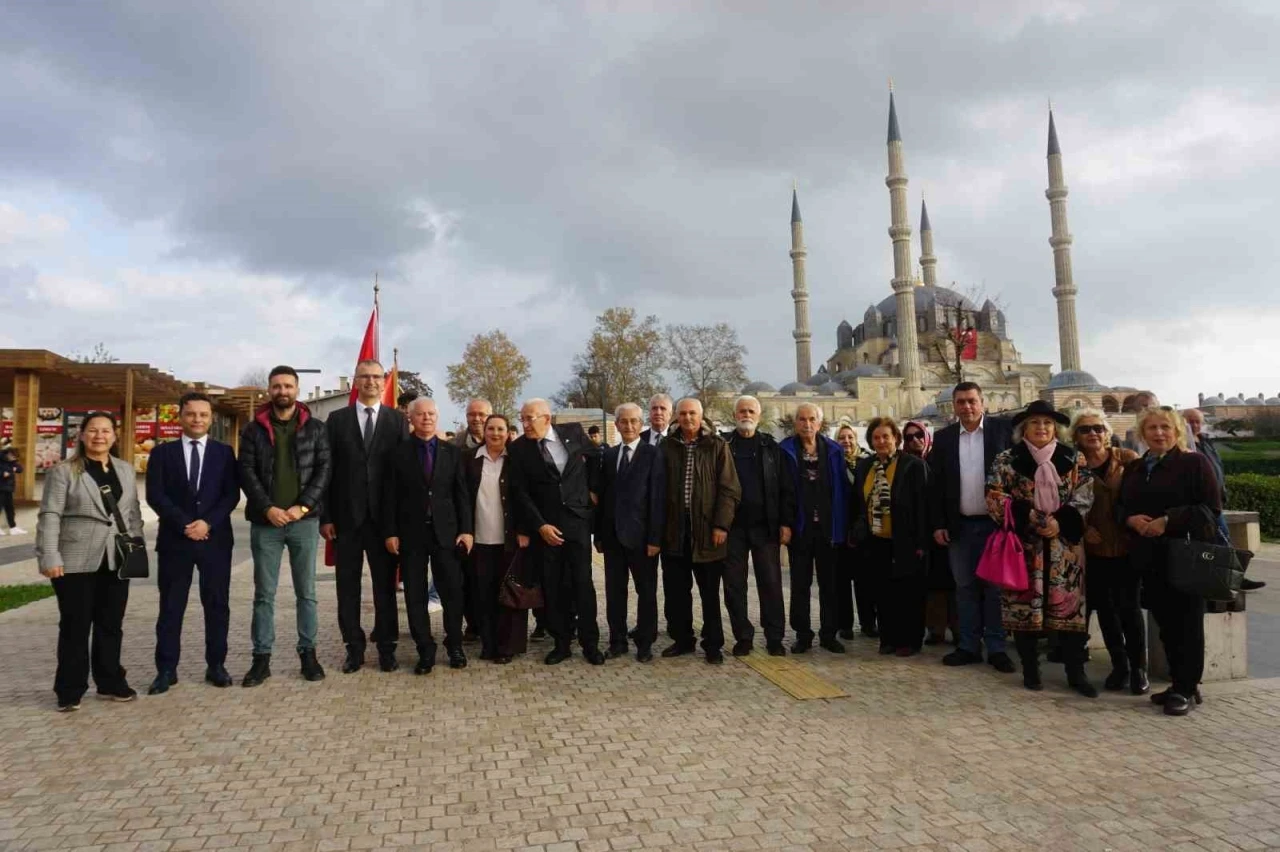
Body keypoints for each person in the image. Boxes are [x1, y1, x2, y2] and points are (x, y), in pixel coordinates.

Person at [985, 401, 1096, 696]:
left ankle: (1076, 673)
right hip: (1024, 547)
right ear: (1024, 428)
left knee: (1071, 613)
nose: (1041, 428)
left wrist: (1060, 522)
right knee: (1025, 611)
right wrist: (1030, 516)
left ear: (1055, 428)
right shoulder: (1006, 460)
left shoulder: (1073, 458)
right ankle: (1031, 671)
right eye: (1035, 423)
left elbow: (1084, 496)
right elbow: (995, 496)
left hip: (1065, 548)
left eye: (1047, 423)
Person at [36, 412, 143, 711]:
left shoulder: (124, 469)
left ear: (114, 436)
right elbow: (50, 515)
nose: (99, 436)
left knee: (111, 624)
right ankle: (69, 689)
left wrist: (136, 544)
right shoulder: (64, 471)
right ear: (81, 435)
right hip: (74, 558)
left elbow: (132, 511)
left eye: (106, 431)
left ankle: (110, 682)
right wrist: (49, 555)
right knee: (76, 625)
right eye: (93, 430)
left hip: (116, 557)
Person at [1119, 406, 1222, 716]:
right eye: (1152, 428)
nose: (1159, 433)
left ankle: (1186, 689)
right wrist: (1131, 520)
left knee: (1187, 624)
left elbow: (1210, 511)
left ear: (1177, 431)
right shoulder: (1137, 468)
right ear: (1143, 433)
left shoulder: (1194, 463)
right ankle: (1182, 682)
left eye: (1165, 427)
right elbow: (1122, 506)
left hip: (1184, 555)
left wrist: (1168, 521)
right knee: (1166, 624)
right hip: (1150, 557)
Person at [238, 365, 332, 687]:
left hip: (303, 523)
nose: (282, 391)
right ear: (269, 390)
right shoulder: (253, 430)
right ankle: (261, 658)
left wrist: (301, 507)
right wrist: (268, 508)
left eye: (288, 386)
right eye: (277, 386)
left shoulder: (316, 429)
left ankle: (308, 654)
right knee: (264, 594)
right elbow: (246, 472)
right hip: (266, 525)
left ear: (297, 389)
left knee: (307, 593)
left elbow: (324, 471)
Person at [145, 392, 241, 695]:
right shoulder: (162, 453)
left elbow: (231, 495)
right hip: (176, 540)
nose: (197, 419)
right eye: (191, 414)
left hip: (215, 541)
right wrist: (185, 524)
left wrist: (207, 523)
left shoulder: (224, 453)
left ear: (210, 418)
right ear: (180, 417)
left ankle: (216, 666)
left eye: (203, 414)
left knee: (217, 606)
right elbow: (155, 495)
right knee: (171, 607)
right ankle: (166, 670)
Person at [321, 359, 407, 674]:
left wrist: (398, 523)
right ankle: (353, 648)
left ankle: (387, 648)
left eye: (376, 377)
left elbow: (403, 474)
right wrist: (325, 516)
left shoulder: (397, 421)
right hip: (346, 521)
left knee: (385, 588)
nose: (371, 382)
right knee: (348, 588)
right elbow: (327, 472)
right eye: (364, 377)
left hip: (384, 522)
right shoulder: (336, 420)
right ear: (355, 382)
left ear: (384, 382)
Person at [507, 398, 605, 665]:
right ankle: (561, 643)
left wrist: (592, 491)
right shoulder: (518, 450)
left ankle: (590, 644)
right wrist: (539, 525)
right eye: (522, 418)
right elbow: (520, 493)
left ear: (547, 419)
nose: (525, 424)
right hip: (546, 528)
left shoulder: (573, 432)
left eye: (530, 418)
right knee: (553, 587)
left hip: (577, 523)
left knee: (582, 585)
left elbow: (597, 457)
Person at [928, 382, 1016, 672]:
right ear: (953, 405)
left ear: (982, 403)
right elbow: (937, 486)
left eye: (971, 401)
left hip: (995, 525)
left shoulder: (1002, 431)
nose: (967, 407)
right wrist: (939, 523)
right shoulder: (943, 439)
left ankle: (997, 647)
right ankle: (968, 645)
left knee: (994, 589)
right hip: (960, 526)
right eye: (961, 402)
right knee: (964, 587)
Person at [382, 396, 474, 672]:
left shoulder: (452, 452)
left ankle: (454, 644)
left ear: (437, 417)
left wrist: (467, 530)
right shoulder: (397, 454)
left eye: (431, 414)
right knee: (415, 595)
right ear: (410, 418)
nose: (427, 419)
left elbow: (462, 495)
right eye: (420, 415)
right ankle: (425, 649)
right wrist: (390, 532)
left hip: (446, 535)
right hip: (411, 536)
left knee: (452, 591)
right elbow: (389, 498)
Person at [659, 398, 741, 663]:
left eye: (692, 413)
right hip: (675, 532)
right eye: (682, 413)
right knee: (676, 594)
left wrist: (721, 524)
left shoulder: (717, 446)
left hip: (707, 532)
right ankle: (683, 640)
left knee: (709, 594)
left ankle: (713, 645)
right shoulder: (666, 446)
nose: (687, 418)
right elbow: (656, 490)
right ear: (676, 416)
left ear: (701, 416)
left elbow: (729, 489)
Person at [1071, 408, 1146, 694]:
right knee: (1106, 610)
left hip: (1126, 546)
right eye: (1085, 429)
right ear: (1076, 436)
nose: (1093, 434)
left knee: (1129, 609)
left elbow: (1144, 495)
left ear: (1107, 432)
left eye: (1098, 429)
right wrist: (1082, 528)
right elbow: (1064, 501)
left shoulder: (1126, 459)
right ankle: (1120, 666)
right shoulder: (1073, 464)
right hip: (1094, 549)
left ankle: (1139, 668)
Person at [849, 417, 930, 656]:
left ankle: (909, 641)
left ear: (896, 438)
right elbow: (858, 502)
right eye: (876, 437)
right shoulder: (865, 466)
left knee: (908, 592)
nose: (881, 441)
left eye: (886, 436)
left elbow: (923, 505)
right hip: (875, 539)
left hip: (906, 538)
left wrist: (922, 541)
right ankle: (888, 638)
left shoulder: (912, 465)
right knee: (882, 591)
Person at [720, 396, 793, 657]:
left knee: (771, 583)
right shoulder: (723, 446)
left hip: (765, 528)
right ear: (734, 414)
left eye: (751, 411)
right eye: (742, 411)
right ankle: (743, 636)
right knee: (733, 585)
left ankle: (774, 637)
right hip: (733, 529)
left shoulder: (771, 449)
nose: (746, 415)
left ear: (759, 416)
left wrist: (785, 523)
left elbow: (785, 489)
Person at [592, 403, 665, 662]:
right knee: (615, 592)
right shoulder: (609, 456)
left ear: (641, 423)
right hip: (612, 538)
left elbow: (657, 498)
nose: (629, 426)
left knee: (646, 592)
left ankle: (645, 643)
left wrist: (656, 538)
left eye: (634, 421)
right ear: (617, 425)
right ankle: (617, 641)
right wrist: (598, 535)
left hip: (643, 539)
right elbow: (602, 498)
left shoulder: (652, 454)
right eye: (624, 421)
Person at [780, 403, 850, 654]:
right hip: (800, 527)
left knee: (829, 584)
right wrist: (784, 523)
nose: (807, 424)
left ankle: (829, 633)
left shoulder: (833, 450)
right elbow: (781, 491)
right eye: (801, 419)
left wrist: (842, 526)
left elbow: (841, 489)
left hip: (828, 527)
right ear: (795, 423)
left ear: (820, 424)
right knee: (800, 583)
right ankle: (803, 634)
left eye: (811, 419)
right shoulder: (785, 450)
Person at [466, 414, 529, 663]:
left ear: (508, 432)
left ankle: (507, 647)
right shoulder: (469, 460)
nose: (495, 433)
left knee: (510, 595)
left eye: (500, 429)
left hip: (510, 541)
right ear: (484, 431)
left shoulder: (517, 461)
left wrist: (524, 530)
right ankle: (489, 643)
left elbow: (525, 498)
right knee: (484, 595)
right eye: (490, 428)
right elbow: (462, 498)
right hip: (479, 541)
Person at [1183, 408, 1262, 590]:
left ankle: (1229, 579)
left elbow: (1216, 467)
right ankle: (1232, 579)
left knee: (1219, 541)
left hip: (1215, 500)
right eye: (1190, 421)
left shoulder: (1205, 442)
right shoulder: (1182, 444)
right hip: (1202, 503)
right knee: (1220, 540)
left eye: (1197, 421)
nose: (1194, 425)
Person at [903, 421, 955, 646]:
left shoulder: (938, 459)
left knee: (953, 581)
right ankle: (935, 629)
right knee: (931, 584)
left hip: (942, 529)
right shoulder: (904, 465)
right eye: (909, 437)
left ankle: (960, 629)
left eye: (918, 435)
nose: (915, 440)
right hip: (920, 534)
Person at [452, 398, 494, 640]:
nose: (476, 419)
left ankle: (493, 624)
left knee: (492, 576)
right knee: (467, 577)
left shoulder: (502, 442)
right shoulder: (455, 445)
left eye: (481, 414)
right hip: (465, 522)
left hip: (495, 520)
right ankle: (473, 623)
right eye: (471, 414)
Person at [833, 423, 864, 641]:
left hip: (863, 530)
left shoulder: (865, 463)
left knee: (865, 580)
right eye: (842, 438)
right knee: (841, 582)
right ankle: (845, 624)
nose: (846, 441)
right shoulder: (833, 463)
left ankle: (868, 622)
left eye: (850, 437)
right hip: (841, 530)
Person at [0, 442, 25, 535]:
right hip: (1, 488)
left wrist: (10, 470)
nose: (14, 459)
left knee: (10, 509)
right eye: (13, 457)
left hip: (8, 488)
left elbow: (20, 469)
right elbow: (4, 474)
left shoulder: (11, 461)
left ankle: (13, 527)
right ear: (8, 454)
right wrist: (5, 473)